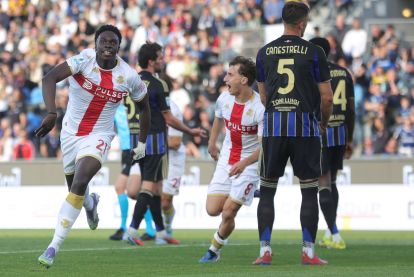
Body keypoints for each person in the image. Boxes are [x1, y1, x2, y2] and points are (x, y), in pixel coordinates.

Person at [36, 24, 150, 268]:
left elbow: (145, 107)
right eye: (104, 41)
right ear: (96, 44)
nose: (108, 45)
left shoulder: (128, 75)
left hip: (100, 134)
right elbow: (49, 78)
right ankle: (91, 205)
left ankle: (53, 246)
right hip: (70, 134)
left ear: (119, 46)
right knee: (77, 189)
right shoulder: (83, 60)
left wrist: (142, 141)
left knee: (79, 182)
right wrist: (51, 112)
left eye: (113, 42)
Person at [254, 1, 333, 266]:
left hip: (275, 126)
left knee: (267, 191)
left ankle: (265, 251)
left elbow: (263, 95)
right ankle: (308, 252)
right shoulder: (314, 52)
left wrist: (278, 111)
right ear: (302, 23)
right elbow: (327, 97)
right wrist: (322, 121)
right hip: (305, 127)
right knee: (309, 190)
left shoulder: (264, 52)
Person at [125, 42, 205, 246]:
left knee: (157, 188)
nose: (163, 60)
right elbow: (168, 117)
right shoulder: (159, 84)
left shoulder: (130, 82)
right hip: (155, 141)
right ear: (151, 61)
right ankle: (132, 230)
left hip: (136, 140)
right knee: (149, 186)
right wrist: (190, 130)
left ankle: (160, 231)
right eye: (160, 57)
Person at [198, 56, 264, 263]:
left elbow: (266, 148)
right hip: (226, 158)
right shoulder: (224, 99)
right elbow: (218, 119)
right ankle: (247, 192)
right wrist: (211, 142)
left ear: (244, 80)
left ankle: (214, 250)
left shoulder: (260, 107)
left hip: (249, 164)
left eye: (230, 74)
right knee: (212, 210)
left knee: (228, 213)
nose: (225, 78)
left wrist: (244, 164)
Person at [310, 37, 355, 250]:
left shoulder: (313, 72)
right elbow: (352, 110)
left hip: (321, 132)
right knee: (333, 182)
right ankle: (330, 231)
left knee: (323, 183)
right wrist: (350, 138)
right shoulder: (344, 73)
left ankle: (335, 234)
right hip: (340, 133)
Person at [109, 103, 155, 241]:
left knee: (127, 189)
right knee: (130, 190)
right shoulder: (114, 106)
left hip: (135, 147)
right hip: (125, 149)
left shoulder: (134, 103)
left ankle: (136, 228)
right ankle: (146, 229)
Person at [161, 98, 186, 237]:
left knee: (165, 201)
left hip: (173, 158)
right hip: (156, 154)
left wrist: (152, 139)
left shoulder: (173, 109)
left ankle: (168, 225)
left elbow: (175, 142)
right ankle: (155, 229)